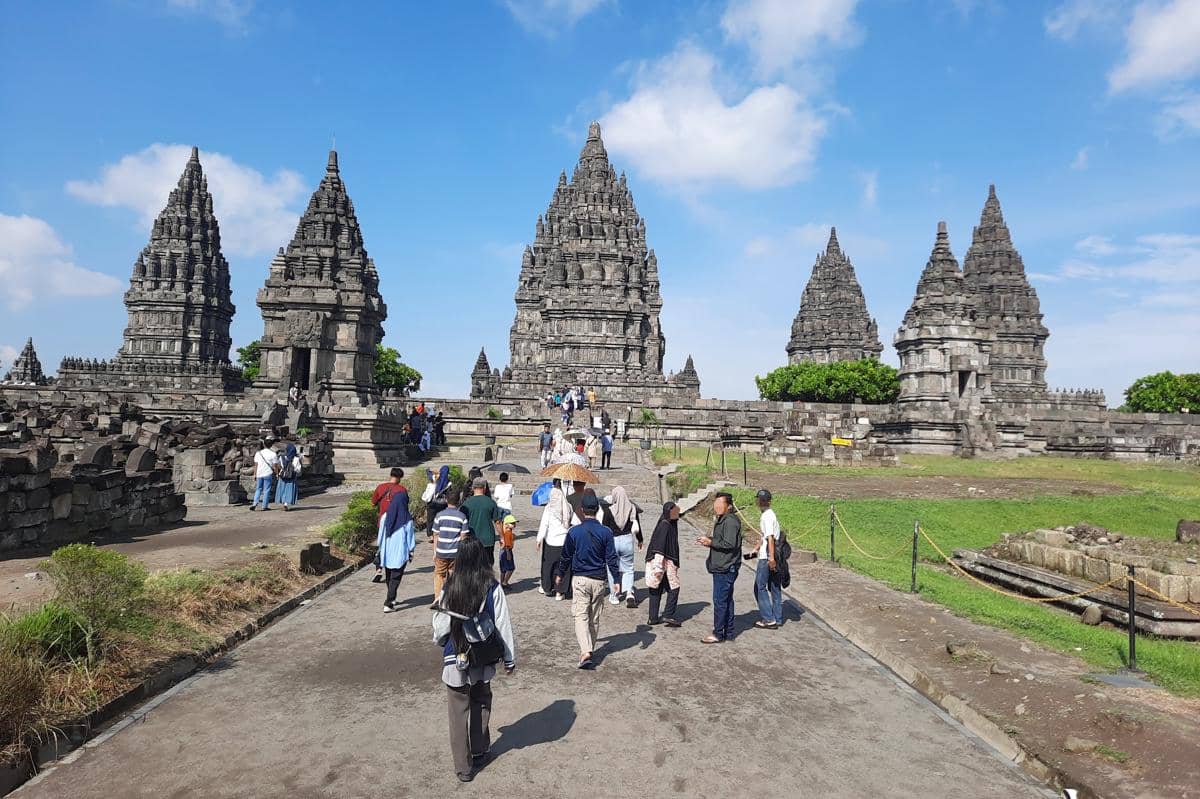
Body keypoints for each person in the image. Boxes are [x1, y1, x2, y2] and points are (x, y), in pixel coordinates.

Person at [432, 535, 516, 783]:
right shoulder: (492, 586)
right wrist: (509, 659)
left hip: (455, 656)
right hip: (481, 656)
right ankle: (480, 752)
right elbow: (502, 624)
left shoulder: (451, 585)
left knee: (457, 712)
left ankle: (463, 768)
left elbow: (440, 626)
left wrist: (441, 641)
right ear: (482, 557)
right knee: (481, 701)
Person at [557, 493, 621, 669]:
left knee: (580, 615)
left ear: (582, 510)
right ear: (598, 509)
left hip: (580, 578)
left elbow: (566, 555)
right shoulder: (606, 532)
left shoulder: (574, 532)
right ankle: (589, 648)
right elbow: (611, 558)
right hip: (599, 579)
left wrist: (560, 574)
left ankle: (586, 651)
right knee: (594, 616)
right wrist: (616, 578)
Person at [696, 492, 742, 643]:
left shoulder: (730, 521)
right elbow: (723, 541)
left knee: (721, 600)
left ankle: (718, 633)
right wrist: (710, 541)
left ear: (728, 506)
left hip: (726, 567)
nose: (716, 507)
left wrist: (711, 543)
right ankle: (728, 632)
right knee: (726, 600)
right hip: (722, 565)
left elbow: (729, 544)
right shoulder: (723, 519)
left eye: (720, 504)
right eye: (715, 504)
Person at [378, 488, 416, 613]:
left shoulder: (385, 516)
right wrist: (411, 550)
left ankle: (391, 598)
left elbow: (380, 536)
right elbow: (410, 537)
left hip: (387, 552)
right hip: (400, 552)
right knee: (396, 577)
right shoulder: (406, 518)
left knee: (389, 575)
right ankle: (388, 602)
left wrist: (380, 548)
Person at [646, 502, 682, 627]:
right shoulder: (665, 526)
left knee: (657, 588)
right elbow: (659, 547)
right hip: (663, 563)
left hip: (663, 563)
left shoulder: (667, 523)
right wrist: (658, 566)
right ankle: (668, 614)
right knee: (674, 588)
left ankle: (653, 617)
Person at [606, 486, 642, 607]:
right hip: (627, 540)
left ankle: (614, 595)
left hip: (613, 541)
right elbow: (638, 525)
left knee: (612, 568)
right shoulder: (632, 508)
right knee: (628, 569)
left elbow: (604, 528)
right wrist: (640, 540)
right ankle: (629, 594)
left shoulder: (609, 510)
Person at [536, 479, 571, 600]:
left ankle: (548, 587)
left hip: (551, 541)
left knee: (549, 567)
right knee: (563, 568)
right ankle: (559, 592)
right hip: (564, 541)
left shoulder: (548, 509)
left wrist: (539, 539)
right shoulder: (568, 506)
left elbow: (544, 525)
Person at [753, 489, 783, 629]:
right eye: (759, 499)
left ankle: (768, 618)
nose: (760, 502)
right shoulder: (769, 515)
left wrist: (770, 558)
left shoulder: (767, 516)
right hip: (774, 554)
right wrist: (757, 547)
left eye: (762, 500)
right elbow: (764, 535)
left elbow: (770, 537)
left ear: (767, 501)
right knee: (775, 587)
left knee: (760, 586)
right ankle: (777, 617)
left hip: (768, 557)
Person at [371, 467, 406, 583]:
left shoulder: (380, 487)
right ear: (400, 478)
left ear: (390, 475)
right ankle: (392, 567)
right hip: (396, 523)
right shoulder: (402, 490)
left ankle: (379, 569)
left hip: (383, 522)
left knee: (382, 545)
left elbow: (373, 503)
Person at [461, 477, 504, 564]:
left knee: (472, 565)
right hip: (487, 539)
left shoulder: (466, 504)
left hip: (471, 540)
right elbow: (498, 522)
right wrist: (502, 537)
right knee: (487, 565)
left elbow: (461, 523)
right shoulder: (491, 502)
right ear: (484, 488)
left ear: (473, 488)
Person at [250, 440, 278, 511]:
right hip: (268, 473)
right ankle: (264, 506)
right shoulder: (273, 454)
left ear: (264, 444)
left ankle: (255, 503)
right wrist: (277, 473)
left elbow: (256, 465)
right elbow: (275, 466)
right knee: (266, 490)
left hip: (259, 473)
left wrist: (254, 474)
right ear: (271, 445)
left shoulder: (258, 453)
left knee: (258, 489)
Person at [274, 442, 302, 511]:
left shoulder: (282, 457)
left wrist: (281, 471)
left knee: (282, 489)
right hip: (292, 476)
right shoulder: (296, 459)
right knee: (289, 490)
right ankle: (286, 504)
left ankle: (283, 502)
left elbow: (279, 466)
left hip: (283, 476)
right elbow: (298, 469)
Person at [425, 466, 451, 538]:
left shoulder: (435, 478)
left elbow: (428, 474)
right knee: (441, 518)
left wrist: (430, 470)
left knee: (430, 519)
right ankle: (440, 533)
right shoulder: (448, 482)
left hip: (432, 502)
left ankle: (431, 535)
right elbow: (449, 493)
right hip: (443, 504)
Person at [499, 515, 517, 589]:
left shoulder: (506, 531)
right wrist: (508, 553)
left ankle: (501, 583)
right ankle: (505, 582)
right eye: (512, 523)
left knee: (503, 569)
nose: (514, 525)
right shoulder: (507, 533)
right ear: (506, 524)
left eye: (514, 523)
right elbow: (506, 545)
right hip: (507, 551)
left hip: (503, 551)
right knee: (511, 568)